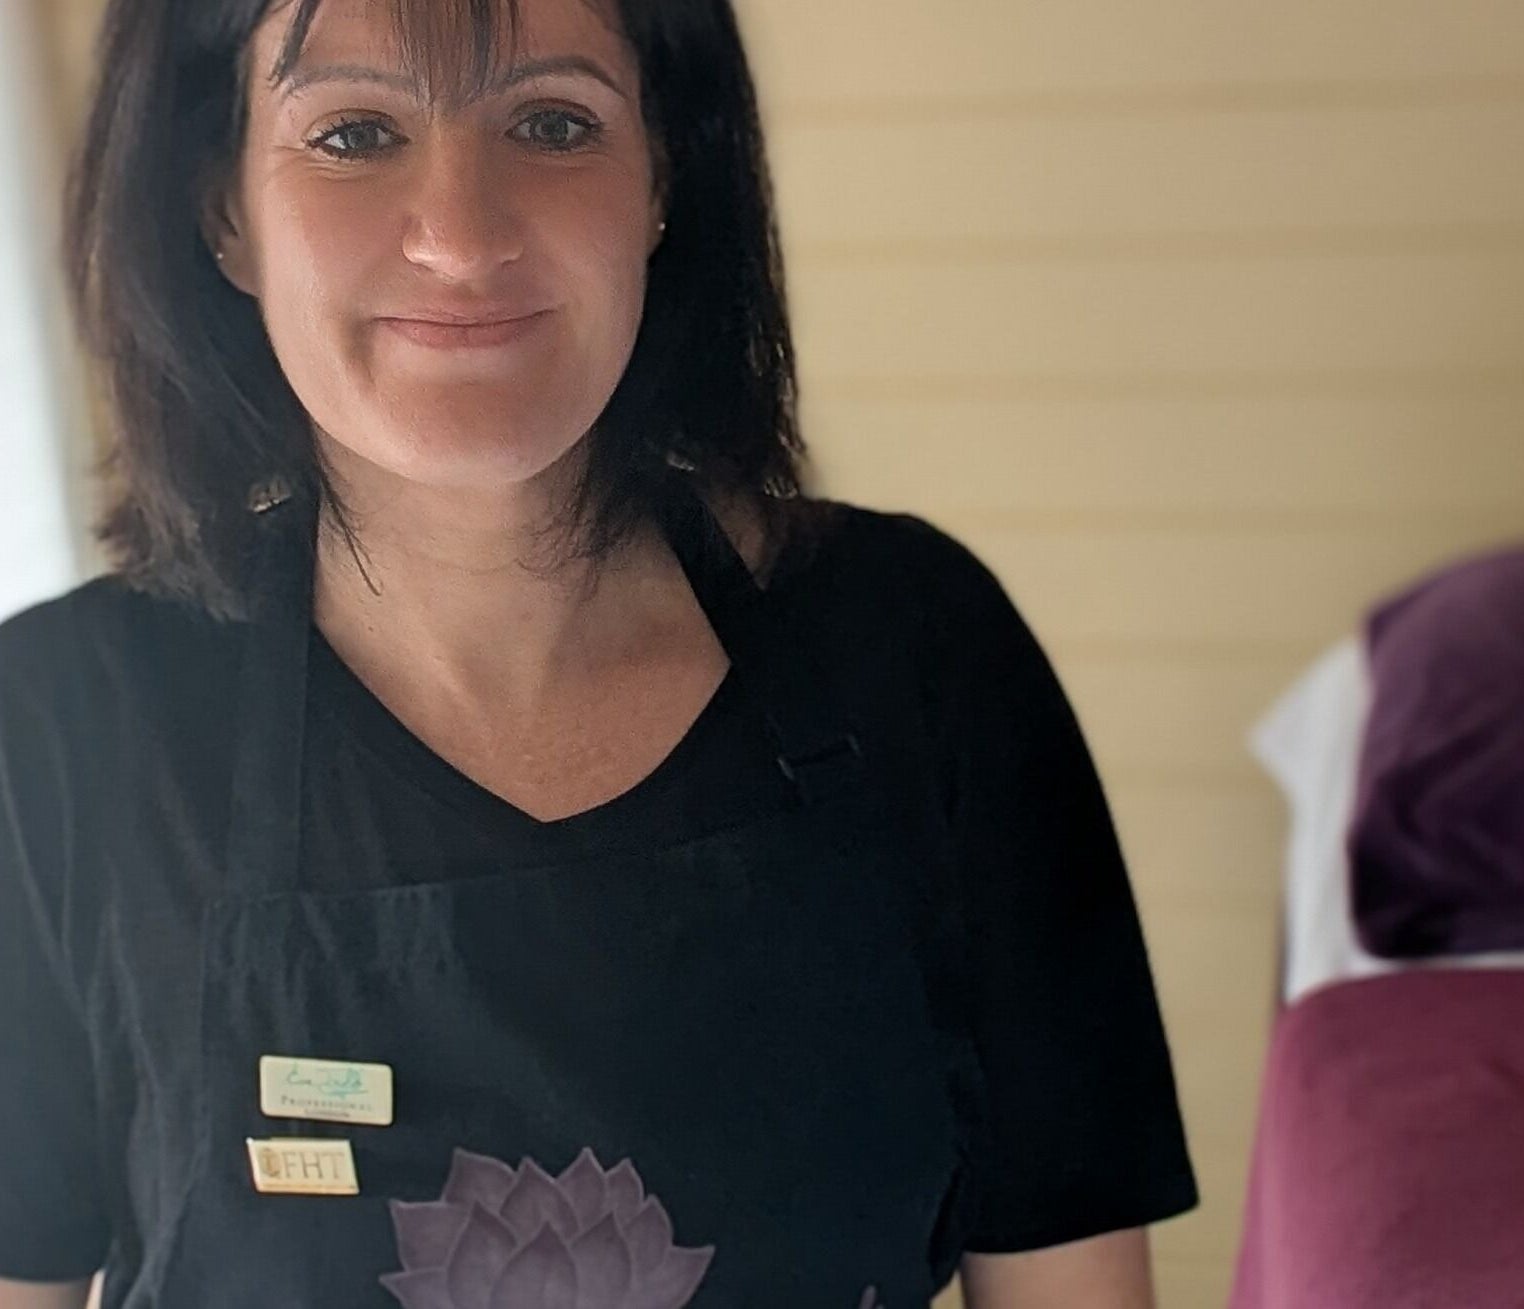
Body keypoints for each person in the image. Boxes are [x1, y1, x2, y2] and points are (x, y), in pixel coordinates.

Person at [0, 0, 1198, 1304]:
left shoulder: (925, 654)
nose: (460, 235)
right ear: (221, 209)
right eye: (353, 133)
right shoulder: (58, 736)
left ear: (665, 175)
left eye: (554, 121)